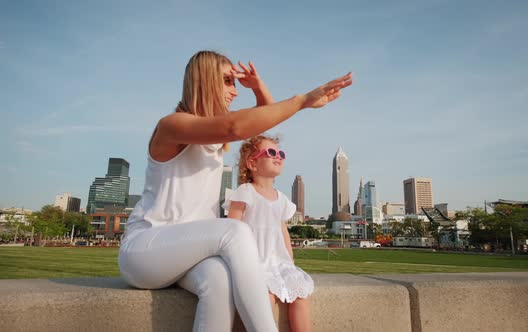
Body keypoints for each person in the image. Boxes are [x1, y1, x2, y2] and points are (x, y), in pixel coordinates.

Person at [117, 50, 352, 332]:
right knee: (235, 231)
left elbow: (260, 125)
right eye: (228, 81)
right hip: (145, 251)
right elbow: (235, 127)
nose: (235, 91)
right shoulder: (172, 126)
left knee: (220, 281)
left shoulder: (213, 140)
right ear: (205, 81)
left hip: (190, 255)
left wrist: (259, 88)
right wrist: (302, 101)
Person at [225, 135, 314, 332]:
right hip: (254, 261)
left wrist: (290, 260)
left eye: (281, 153)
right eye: (271, 153)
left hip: (279, 262)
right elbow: (232, 226)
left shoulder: (281, 198)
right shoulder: (245, 191)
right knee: (265, 297)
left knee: (302, 296)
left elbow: (282, 229)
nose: (279, 156)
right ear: (252, 163)